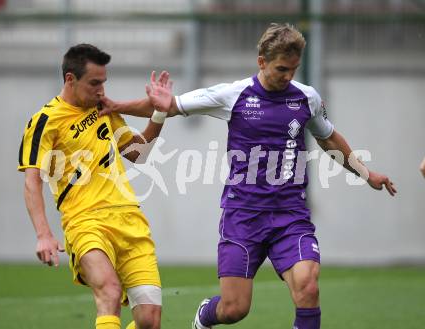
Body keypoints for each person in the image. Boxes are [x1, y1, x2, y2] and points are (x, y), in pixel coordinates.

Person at [99, 23, 397, 329]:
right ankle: (205, 315)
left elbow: (329, 138)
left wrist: (366, 173)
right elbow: (168, 106)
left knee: (308, 287)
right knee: (234, 310)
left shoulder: (307, 98)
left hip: (290, 215)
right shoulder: (234, 94)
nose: (288, 76)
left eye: (294, 69)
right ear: (261, 62)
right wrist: (117, 106)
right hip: (243, 216)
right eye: (281, 68)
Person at [18, 44, 172, 329]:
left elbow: (138, 153)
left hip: (130, 220)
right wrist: (43, 234)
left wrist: (159, 115)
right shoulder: (45, 121)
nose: (101, 90)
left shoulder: (103, 110)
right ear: (70, 79)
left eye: (104, 83)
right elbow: (32, 181)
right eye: (94, 83)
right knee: (109, 292)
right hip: (85, 222)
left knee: (149, 320)